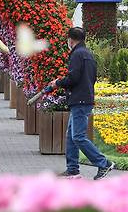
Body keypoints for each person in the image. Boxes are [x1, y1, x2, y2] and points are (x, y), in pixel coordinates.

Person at [49, 27, 114, 180]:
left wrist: (57, 83)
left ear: (71, 39)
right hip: (84, 98)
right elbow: (92, 78)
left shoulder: (77, 55)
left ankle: (103, 163)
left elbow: (73, 78)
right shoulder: (88, 54)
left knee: (78, 136)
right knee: (71, 136)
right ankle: (72, 169)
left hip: (80, 100)